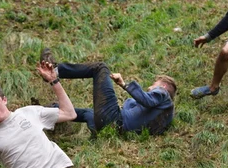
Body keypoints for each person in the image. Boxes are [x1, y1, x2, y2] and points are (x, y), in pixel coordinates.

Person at [40, 48, 177, 135]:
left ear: (163, 86)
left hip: (114, 120)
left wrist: (124, 84)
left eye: (154, 85)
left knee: (100, 68)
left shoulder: (163, 95)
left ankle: (55, 71)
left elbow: (147, 100)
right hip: (112, 130)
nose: (150, 88)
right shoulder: (164, 117)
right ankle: (50, 111)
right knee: (88, 113)